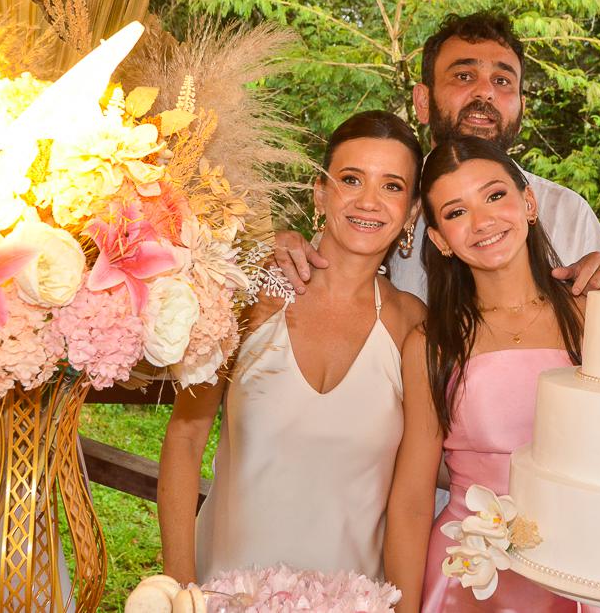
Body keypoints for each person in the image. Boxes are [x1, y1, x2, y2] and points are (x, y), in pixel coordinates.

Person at [157, 111, 427, 585]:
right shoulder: (251, 294)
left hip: (355, 598)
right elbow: (185, 438)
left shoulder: (413, 326)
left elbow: (414, 497)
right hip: (224, 592)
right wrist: (179, 587)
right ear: (319, 193)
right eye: (351, 179)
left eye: (392, 186)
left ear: (412, 211)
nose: (368, 201)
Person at [273, 11, 600, 302]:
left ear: (521, 108)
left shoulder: (568, 212)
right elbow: (316, 281)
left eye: (502, 80)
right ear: (423, 102)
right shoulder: (384, 205)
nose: (485, 92)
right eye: (464, 76)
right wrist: (271, 249)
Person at [383, 136, 589, 613]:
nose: (483, 221)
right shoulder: (432, 344)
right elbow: (412, 501)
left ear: (529, 203)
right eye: (456, 212)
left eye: (495, 196)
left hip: (576, 570)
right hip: (465, 579)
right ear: (439, 239)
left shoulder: (591, 316)